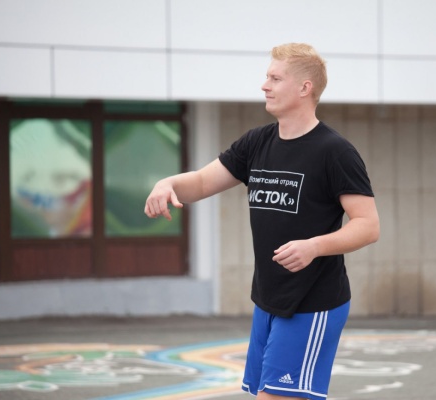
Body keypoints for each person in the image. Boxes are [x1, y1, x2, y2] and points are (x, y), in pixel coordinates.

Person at [144, 43, 380, 400]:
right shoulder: (257, 142)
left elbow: (368, 225)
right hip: (268, 300)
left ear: (305, 88)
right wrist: (169, 184)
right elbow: (204, 182)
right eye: (267, 77)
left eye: (275, 78)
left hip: (312, 302)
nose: (264, 85)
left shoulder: (335, 152)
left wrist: (314, 247)